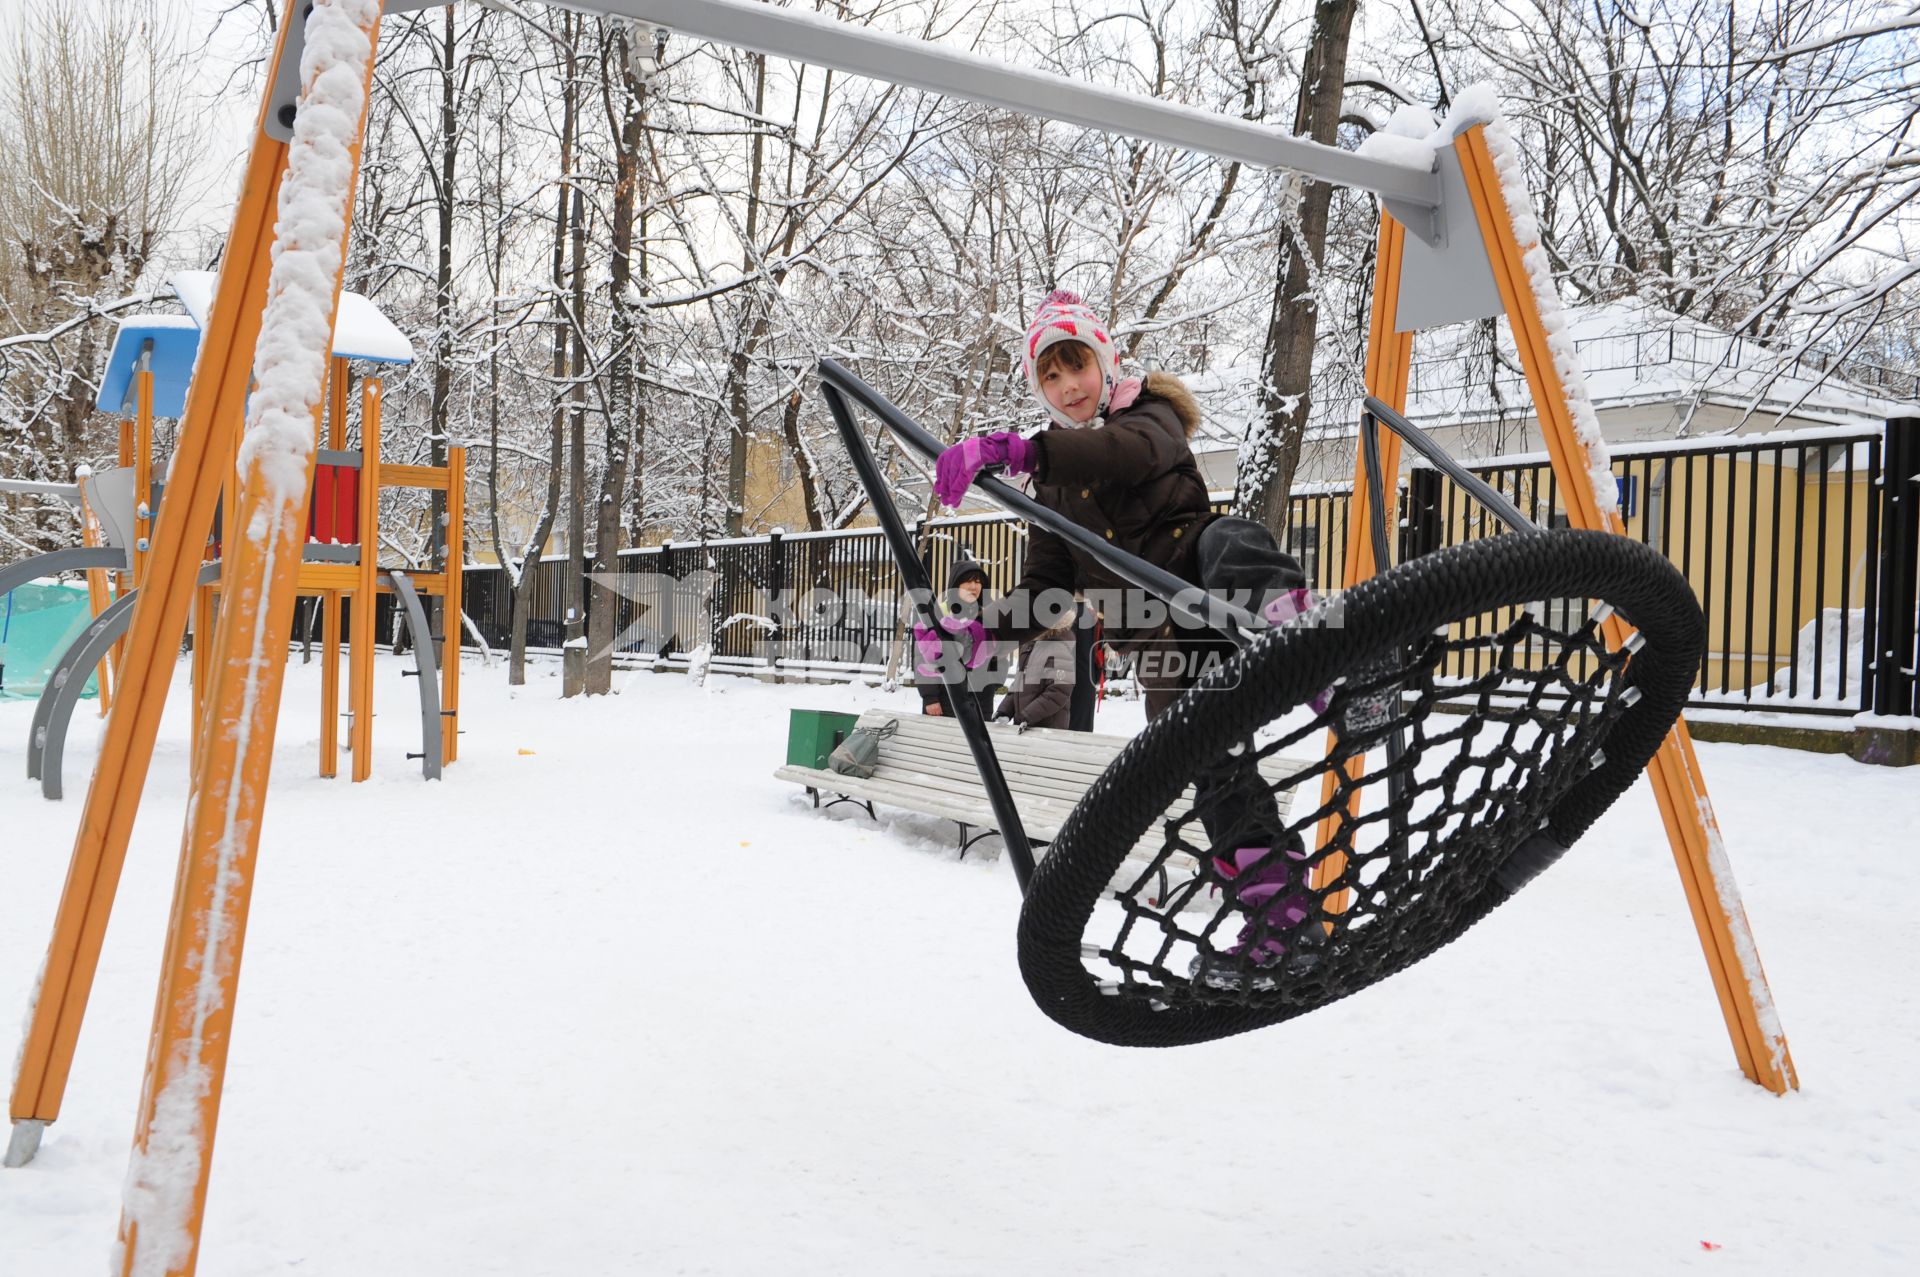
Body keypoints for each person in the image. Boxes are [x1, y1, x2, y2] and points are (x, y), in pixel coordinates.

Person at [932, 289, 1320, 985]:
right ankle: (1283, 924)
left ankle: (1322, 658)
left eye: (1074, 365)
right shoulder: (1050, 491)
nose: (1065, 386)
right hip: (1159, 644)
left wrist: (1025, 450)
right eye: (1048, 376)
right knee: (1213, 774)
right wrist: (978, 629)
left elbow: (1121, 455)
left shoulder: (1151, 416)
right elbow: (1046, 591)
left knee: (1231, 537)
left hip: (1208, 593)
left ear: (1103, 362)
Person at [912, 552, 999, 721]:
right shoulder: (939, 613)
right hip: (945, 697)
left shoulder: (986, 614)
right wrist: (930, 697)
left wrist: (992, 686)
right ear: (956, 585)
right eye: (968, 581)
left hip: (981, 698)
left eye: (978, 582)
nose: (974, 587)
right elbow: (921, 656)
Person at [992, 619, 1075, 730]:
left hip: (1047, 729)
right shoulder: (1029, 645)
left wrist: (1028, 716)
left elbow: (1058, 691)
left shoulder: (1059, 649)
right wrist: (1005, 710)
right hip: (1024, 725)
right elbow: (1018, 683)